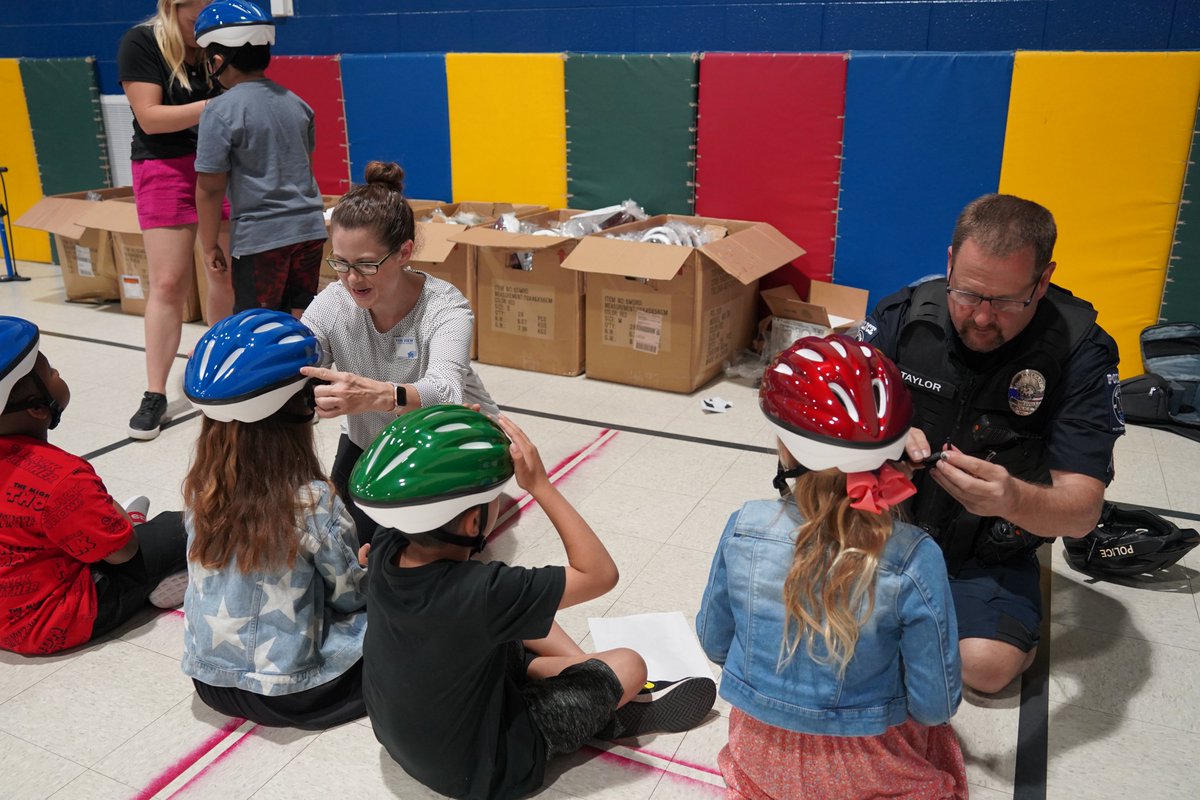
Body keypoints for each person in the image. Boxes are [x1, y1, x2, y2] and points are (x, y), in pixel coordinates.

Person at [351, 405, 716, 800]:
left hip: (403, 740)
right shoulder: (484, 591)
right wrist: (540, 484)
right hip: (486, 768)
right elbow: (600, 574)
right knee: (629, 664)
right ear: (474, 522)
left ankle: (579, 680)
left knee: (521, 610)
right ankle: (606, 703)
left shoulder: (388, 546)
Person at [858, 193, 1124, 693]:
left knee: (985, 668)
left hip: (985, 553)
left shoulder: (1080, 351)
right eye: (968, 294)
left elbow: (1083, 511)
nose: (981, 317)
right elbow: (812, 432)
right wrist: (879, 439)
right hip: (886, 528)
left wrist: (1012, 498)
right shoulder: (905, 315)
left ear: (1042, 281)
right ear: (950, 262)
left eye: (1004, 302)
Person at [697, 335, 966, 800]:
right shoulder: (914, 556)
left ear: (786, 449)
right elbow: (935, 705)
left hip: (762, 759)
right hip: (867, 769)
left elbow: (714, 643)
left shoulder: (744, 526)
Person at [180, 309, 367, 729]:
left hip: (208, 683)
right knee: (410, 607)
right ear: (299, 409)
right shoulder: (313, 502)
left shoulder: (200, 489)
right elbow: (351, 597)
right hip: (293, 693)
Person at [299, 161, 498, 545]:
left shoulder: (446, 308)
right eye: (340, 262)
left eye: (367, 264)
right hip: (370, 439)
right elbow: (300, 355)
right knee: (335, 540)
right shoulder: (333, 302)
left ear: (404, 252)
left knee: (406, 555)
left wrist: (380, 395)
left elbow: (445, 391)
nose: (352, 279)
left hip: (446, 441)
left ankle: (489, 497)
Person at [0, 317, 188, 655]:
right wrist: (120, 524)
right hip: (55, 621)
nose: (58, 374)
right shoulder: (61, 475)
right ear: (37, 407)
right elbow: (124, 553)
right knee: (183, 525)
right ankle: (163, 580)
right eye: (52, 371)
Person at [119, 0, 233, 441]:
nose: (201, 28)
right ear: (173, 7)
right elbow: (150, 117)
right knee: (168, 284)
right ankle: (154, 394)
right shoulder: (141, 42)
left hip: (217, 166)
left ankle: (220, 375)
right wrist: (218, 106)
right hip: (163, 168)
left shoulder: (219, 42)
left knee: (222, 274)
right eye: (193, 19)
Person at [193, 0, 327, 318]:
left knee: (259, 324)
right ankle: (302, 369)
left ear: (217, 60)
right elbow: (303, 168)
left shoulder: (219, 111)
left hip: (262, 239)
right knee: (301, 318)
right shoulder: (298, 104)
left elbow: (210, 188)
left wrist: (209, 243)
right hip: (309, 231)